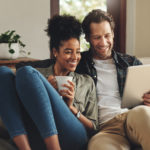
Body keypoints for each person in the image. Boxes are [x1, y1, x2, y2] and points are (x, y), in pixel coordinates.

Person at [0, 15, 98, 150]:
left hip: (72, 135)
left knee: (27, 72)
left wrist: (71, 108)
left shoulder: (86, 82)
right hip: (37, 133)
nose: (75, 57)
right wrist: (44, 93)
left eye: (78, 52)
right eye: (68, 52)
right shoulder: (36, 76)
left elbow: (94, 127)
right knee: (4, 72)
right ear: (55, 52)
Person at [76, 9, 150, 150]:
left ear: (113, 34)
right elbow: (53, 64)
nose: (103, 42)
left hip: (132, 118)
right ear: (87, 38)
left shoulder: (130, 62)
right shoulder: (78, 63)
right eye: (97, 37)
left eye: (107, 36)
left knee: (144, 113)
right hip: (106, 129)